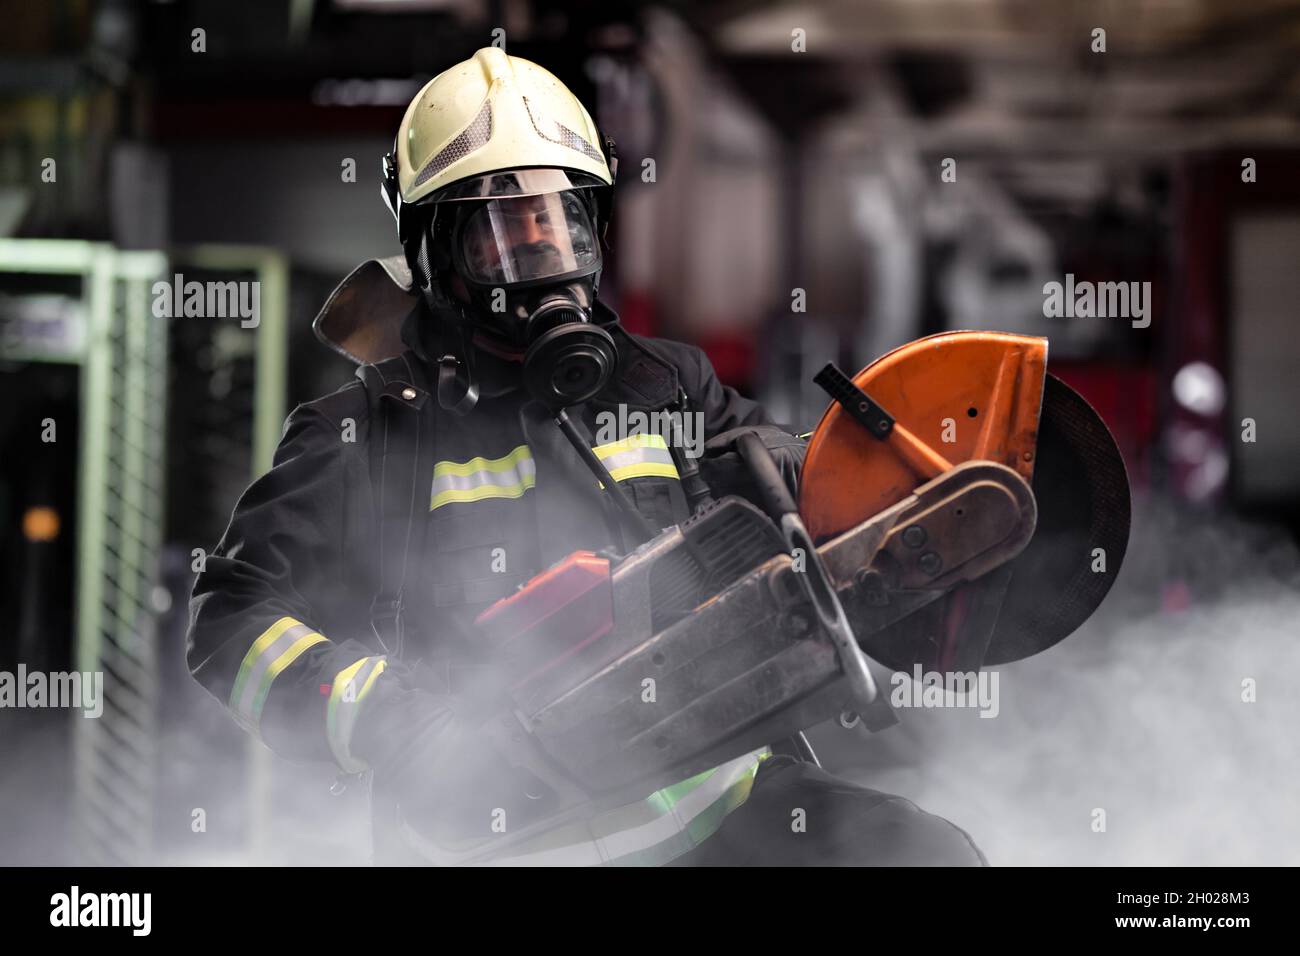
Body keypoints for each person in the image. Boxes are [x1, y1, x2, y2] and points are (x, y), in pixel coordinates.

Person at [187, 46, 986, 866]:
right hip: (501, 846)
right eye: (501, 237)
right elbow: (228, 620)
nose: (541, 257)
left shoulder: (665, 384)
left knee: (924, 856)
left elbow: (794, 487)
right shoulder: (367, 435)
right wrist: (395, 720)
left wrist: (913, 504)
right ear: (435, 260)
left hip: (718, 804)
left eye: (559, 223)